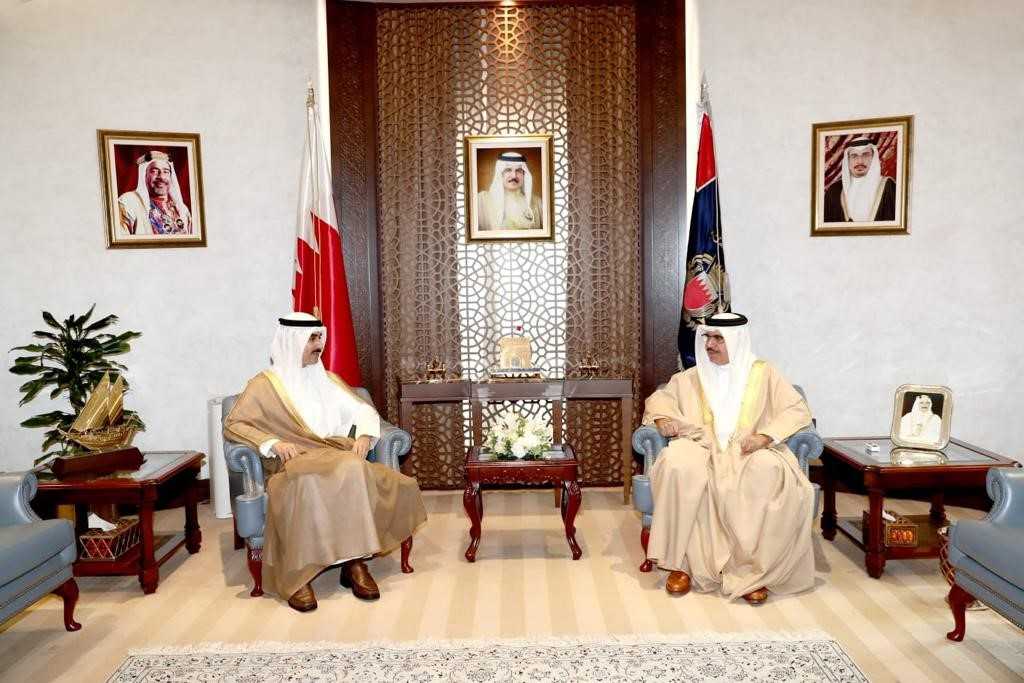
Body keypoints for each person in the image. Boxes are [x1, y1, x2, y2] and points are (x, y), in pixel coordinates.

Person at [223, 312, 427, 612]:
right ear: (292, 342)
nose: (319, 345)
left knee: (354, 469)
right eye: (312, 339)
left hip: (332, 451)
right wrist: (273, 443)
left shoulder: (327, 379)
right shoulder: (264, 385)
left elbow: (363, 410)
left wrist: (365, 436)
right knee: (306, 481)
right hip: (293, 460)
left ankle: (354, 563)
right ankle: (298, 575)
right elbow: (235, 424)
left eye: (320, 338)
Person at [643, 312, 815, 604]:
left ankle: (751, 573)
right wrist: (662, 418)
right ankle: (681, 565)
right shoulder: (691, 377)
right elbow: (661, 399)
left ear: (737, 341)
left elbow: (796, 410)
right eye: (707, 337)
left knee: (768, 470)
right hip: (700, 445)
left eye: (718, 339)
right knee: (677, 464)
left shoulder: (764, 373)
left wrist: (765, 437)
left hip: (748, 448)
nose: (709, 344)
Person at [117, 151, 193, 236]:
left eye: (166, 171)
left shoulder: (182, 209)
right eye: (154, 171)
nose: (161, 177)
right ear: (144, 175)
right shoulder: (128, 202)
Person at [823, 137, 896, 222]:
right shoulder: (834, 190)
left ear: (873, 158)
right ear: (848, 160)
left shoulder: (888, 186)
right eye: (854, 156)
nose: (860, 161)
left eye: (865, 155)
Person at [476, 151, 543, 231]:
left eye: (518, 170)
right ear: (500, 173)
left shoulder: (537, 202)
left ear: (524, 174)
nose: (514, 176)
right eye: (508, 170)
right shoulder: (482, 200)